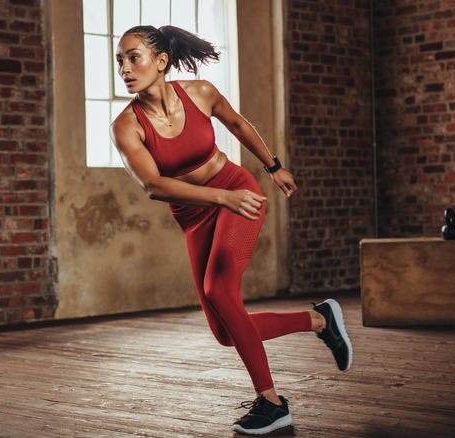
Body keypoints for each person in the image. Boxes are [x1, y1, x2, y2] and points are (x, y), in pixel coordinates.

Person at [109, 25, 352, 436]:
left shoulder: (200, 93)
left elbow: (237, 126)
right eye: (120, 61)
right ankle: (320, 320)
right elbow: (154, 185)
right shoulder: (126, 126)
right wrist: (219, 201)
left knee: (219, 292)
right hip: (196, 214)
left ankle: (271, 403)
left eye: (134, 57)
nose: (125, 68)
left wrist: (273, 168)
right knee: (225, 332)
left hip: (237, 191)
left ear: (161, 61)